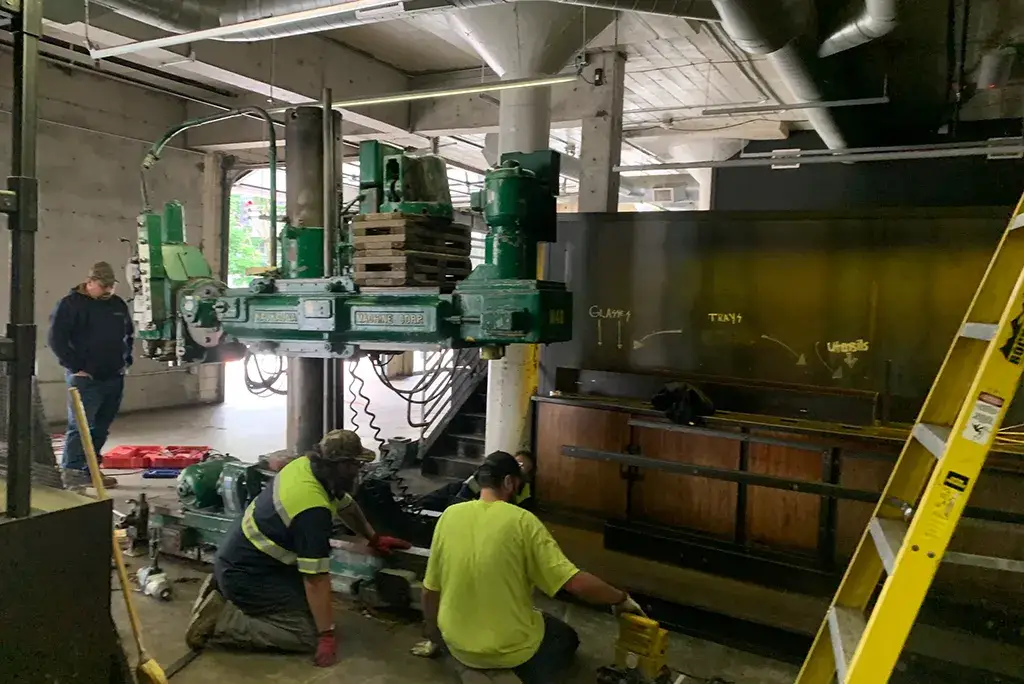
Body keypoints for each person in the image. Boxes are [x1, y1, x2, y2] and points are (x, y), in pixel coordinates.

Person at [186, 430, 411, 667]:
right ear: (342, 466)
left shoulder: (308, 468)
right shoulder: (312, 510)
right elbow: (315, 578)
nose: (360, 470)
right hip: (247, 574)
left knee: (312, 611)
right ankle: (221, 622)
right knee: (303, 634)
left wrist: (373, 538)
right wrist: (326, 635)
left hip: (246, 561)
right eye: (357, 464)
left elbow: (346, 506)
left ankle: (223, 592)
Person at [422, 451, 644, 683]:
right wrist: (620, 598)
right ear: (509, 482)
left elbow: (430, 591)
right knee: (565, 637)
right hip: (506, 648)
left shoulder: (450, 515)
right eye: (518, 483)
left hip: (456, 643)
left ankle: (471, 669)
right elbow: (575, 583)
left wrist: (434, 636)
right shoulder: (523, 521)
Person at [48, 261, 133, 489]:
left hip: (114, 376)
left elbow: (129, 334)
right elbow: (56, 340)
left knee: (101, 428)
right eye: (103, 286)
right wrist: (75, 367)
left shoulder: (117, 304)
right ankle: (72, 476)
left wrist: (127, 361)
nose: (107, 290)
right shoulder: (70, 305)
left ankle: (91, 472)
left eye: (111, 286)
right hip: (86, 379)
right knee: (80, 428)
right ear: (90, 282)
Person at [417, 450, 536, 513]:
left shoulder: (525, 498)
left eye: (522, 466)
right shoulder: (482, 480)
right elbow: (461, 496)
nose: (518, 467)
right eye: (516, 464)